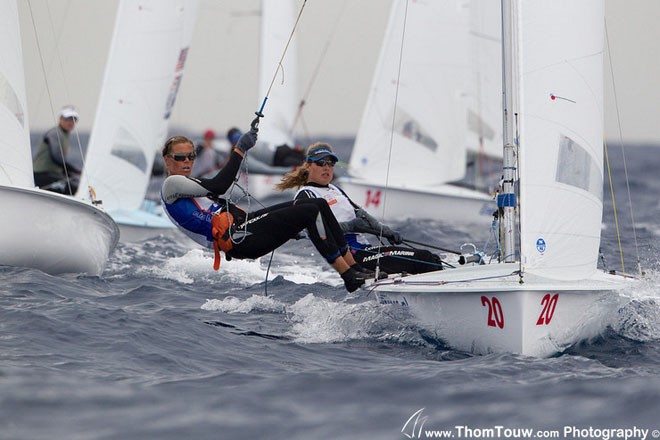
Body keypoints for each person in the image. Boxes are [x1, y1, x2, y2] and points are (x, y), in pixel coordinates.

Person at [160, 128, 374, 292]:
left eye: (191, 156)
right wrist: (239, 149)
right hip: (238, 240)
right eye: (180, 158)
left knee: (317, 205)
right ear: (167, 160)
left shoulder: (189, 185)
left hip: (244, 230)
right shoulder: (172, 185)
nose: (187, 161)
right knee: (310, 211)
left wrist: (289, 227)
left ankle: (354, 268)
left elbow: (227, 206)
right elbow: (220, 185)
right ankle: (348, 276)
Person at [277, 143, 444, 275]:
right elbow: (315, 231)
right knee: (424, 259)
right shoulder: (305, 195)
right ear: (308, 166)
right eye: (321, 163)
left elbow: (362, 215)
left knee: (433, 259)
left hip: (367, 251)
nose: (327, 167)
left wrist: (385, 231)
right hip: (352, 259)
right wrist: (350, 226)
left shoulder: (335, 190)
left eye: (331, 163)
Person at [32, 105, 82, 195]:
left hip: (52, 174)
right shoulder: (55, 133)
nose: (71, 122)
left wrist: (71, 173)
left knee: (78, 183)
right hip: (41, 175)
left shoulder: (65, 135)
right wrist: (75, 170)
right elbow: (56, 157)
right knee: (73, 187)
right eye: (68, 119)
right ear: (61, 119)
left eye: (74, 119)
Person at [227, 126, 304, 168]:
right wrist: (289, 170)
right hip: (278, 160)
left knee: (305, 156)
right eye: (236, 139)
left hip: (282, 149)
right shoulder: (241, 154)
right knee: (304, 165)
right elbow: (262, 168)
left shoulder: (249, 140)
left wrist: (293, 149)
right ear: (232, 143)